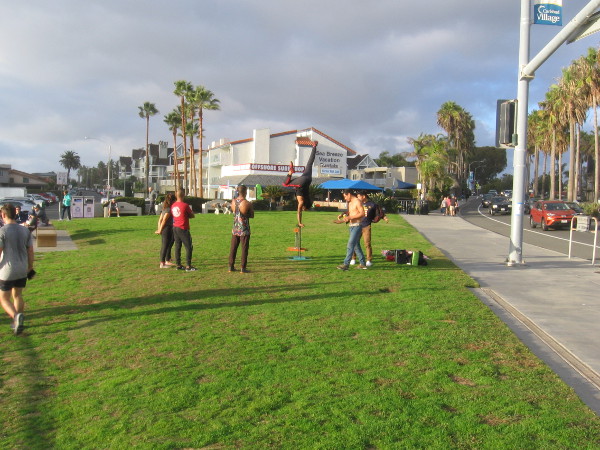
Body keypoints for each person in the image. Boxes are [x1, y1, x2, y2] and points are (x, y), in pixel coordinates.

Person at [0, 204, 34, 335]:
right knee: (18, 295)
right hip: (21, 269)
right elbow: (30, 250)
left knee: (3, 298)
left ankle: (16, 317)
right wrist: (30, 266)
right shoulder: (25, 230)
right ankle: (18, 322)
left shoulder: (2, 231)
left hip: (7, 270)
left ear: (3, 215)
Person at [282, 140, 318, 228]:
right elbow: (299, 212)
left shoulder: (307, 197)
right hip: (301, 183)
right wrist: (299, 222)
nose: (303, 209)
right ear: (305, 206)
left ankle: (314, 146)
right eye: (305, 209)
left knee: (309, 164)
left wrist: (314, 147)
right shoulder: (302, 201)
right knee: (285, 184)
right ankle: (291, 172)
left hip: (308, 179)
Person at [350, 191, 388, 267]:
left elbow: (379, 213)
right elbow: (351, 212)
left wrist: (384, 218)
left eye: (359, 196)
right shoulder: (357, 204)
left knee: (367, 243)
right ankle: (353, 258)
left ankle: (369, 260)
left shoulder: (372, 205)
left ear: (363, 196)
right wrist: (343, 215)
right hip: (357, 225)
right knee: (354, 242)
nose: (357, 198)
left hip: (366, 226)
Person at [337, 190, 367, 270]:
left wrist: (350, 217)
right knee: (356, 246)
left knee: (350, 244)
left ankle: (346, 264)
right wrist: (344, 216)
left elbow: (362, 213)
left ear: (349, 194)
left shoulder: (357, 201)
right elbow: (352, 213)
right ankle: (362, 264)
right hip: (351, 226)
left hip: (357, 225)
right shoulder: (350, 203)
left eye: (345, 196)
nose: (345, 198)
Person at [228, 185, 254, 273]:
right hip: (244, 228)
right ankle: (243, 267)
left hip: (235, 228)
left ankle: (230, 266)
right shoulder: (247, 203)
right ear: (245, 192)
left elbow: (234, 212)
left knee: (233, 248)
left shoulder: (233, 202)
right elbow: (252, 215)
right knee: (244, 248)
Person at [172, 188, 196, 272]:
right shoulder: (185, 205)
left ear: (176, 195)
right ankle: (188, 266)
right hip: (183, 227)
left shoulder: (173, 205)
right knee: (188, 246)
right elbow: (192, 215)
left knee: (177, 246)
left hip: (175, 227)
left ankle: (178, 264)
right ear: (184, 195)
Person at [155, 193, 176, 269]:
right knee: (165, 245)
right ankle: (162, 263)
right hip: (166, 229)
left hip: (167, 228)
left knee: (169, 244)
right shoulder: (168, 209)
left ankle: (167, 259)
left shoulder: (165, 208)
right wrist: (160, 230)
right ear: (173, 200)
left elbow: (159, 220)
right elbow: (163, 220)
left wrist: (159, 228)